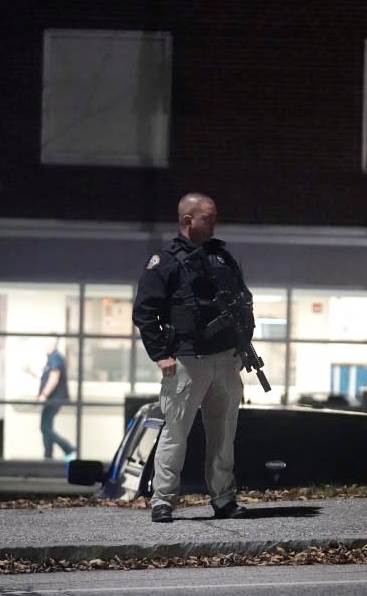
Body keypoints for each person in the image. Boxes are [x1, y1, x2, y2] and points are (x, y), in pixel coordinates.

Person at [132, 192, 253, 522]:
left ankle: (224, 499)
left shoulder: (222, 257)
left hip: (226, 358)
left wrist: (244, 345)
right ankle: (163, 500)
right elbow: (144, 312)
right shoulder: (165, 261)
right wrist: (161, 355)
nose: (214, 223)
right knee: (175, 433)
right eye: (208, 218)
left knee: (224, 433)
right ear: (188, 220)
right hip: (186, 360)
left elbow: (244, 302)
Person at [36, 337, 76, 461]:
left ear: (52, 344)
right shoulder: (51, 358)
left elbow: (54, 379)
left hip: (54, 399)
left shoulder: (55, 357)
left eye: (46, 343)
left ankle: (68, 448)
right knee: (47, 426)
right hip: (52, 399)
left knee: (45, 427)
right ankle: (48, 456)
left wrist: (44, 395)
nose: (44, 346)